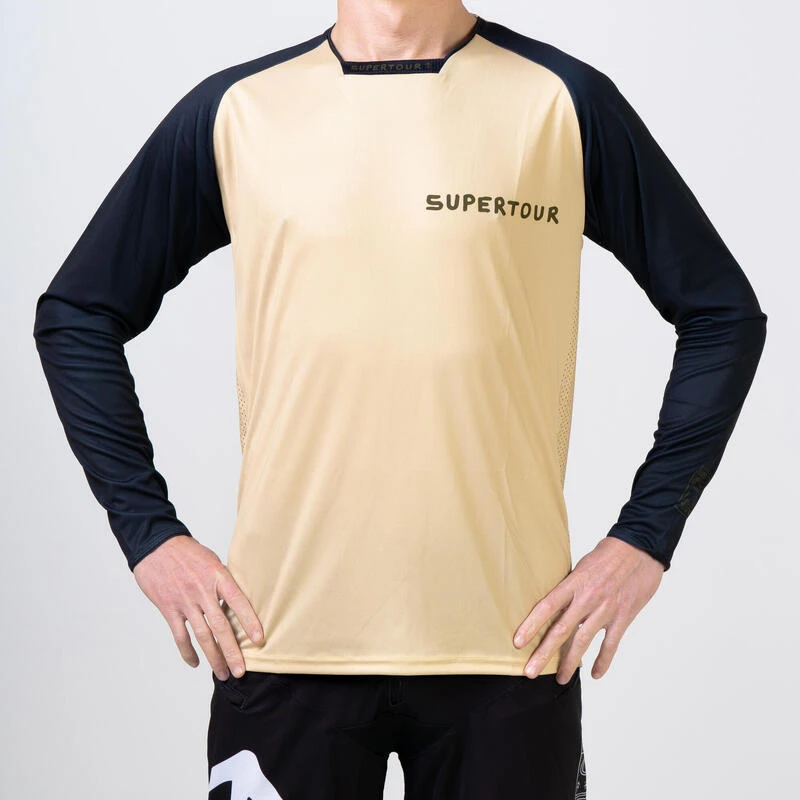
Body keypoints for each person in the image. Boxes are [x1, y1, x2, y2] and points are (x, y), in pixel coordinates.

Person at [32, 1, 767, 798]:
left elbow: (722, 314)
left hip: (509, 652)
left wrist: (645, 539)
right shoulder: (238, 111)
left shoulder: (563, 102)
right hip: (281, 644)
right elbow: (78, 314)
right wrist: (150, 536)